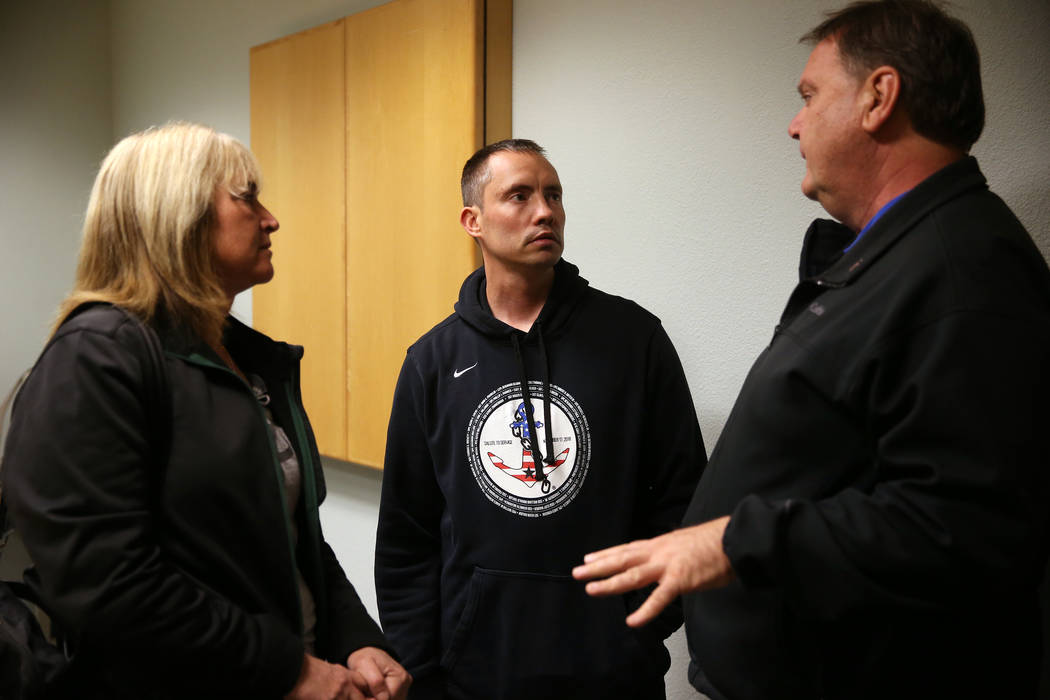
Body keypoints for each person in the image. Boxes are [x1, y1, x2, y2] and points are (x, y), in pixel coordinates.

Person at [574, 2, 1050, 698]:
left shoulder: (963, 271)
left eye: (809, 96)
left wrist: (731, 540)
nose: (795, 123)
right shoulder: (894, 257)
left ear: (878, 98)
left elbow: (963, 526)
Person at [1, 122, 411, 700]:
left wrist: (358, 642)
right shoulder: (95, 358)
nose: (270, 219)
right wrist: (287, 670)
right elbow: (107, 584)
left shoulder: (247, 358)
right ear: (179, 213)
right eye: (247, 198)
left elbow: (294, 540)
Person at [374, 139, 706, 699]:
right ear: (472, 220)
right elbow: (408, 537)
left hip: (613, 673)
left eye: (553, 195)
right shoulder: (432, 362)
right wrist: (420, 668)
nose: (545, 210)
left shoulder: (633, 339)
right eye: (519, 196)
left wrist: (637, 625)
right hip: (473, 676)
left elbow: (687, 501)